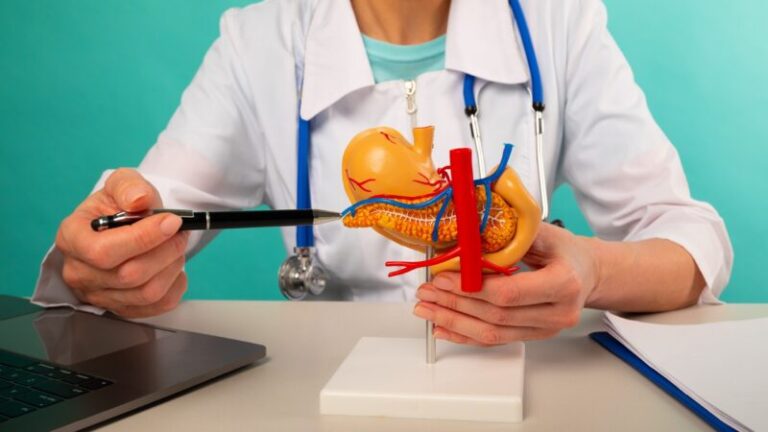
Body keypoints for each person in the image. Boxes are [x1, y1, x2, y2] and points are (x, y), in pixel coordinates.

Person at [34, 0, 733, 346]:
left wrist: (591, 271)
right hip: (332, 394)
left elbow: (688, 239)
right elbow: (143, 222)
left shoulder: (557, 22)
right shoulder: (259, 42)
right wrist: (108, 259)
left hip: (519, 388)